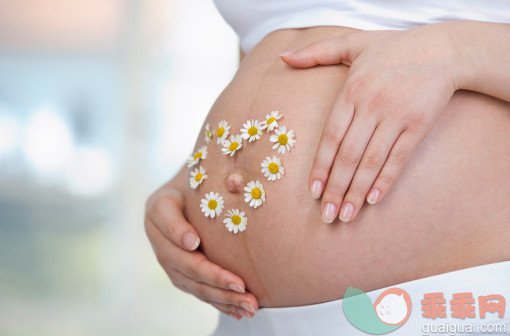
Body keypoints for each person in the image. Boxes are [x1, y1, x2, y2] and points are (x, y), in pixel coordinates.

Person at [145, 1, 510, 334]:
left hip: (436, 297)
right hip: (248, 318)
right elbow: (271, 45)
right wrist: (193, 177)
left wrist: (455, 49)